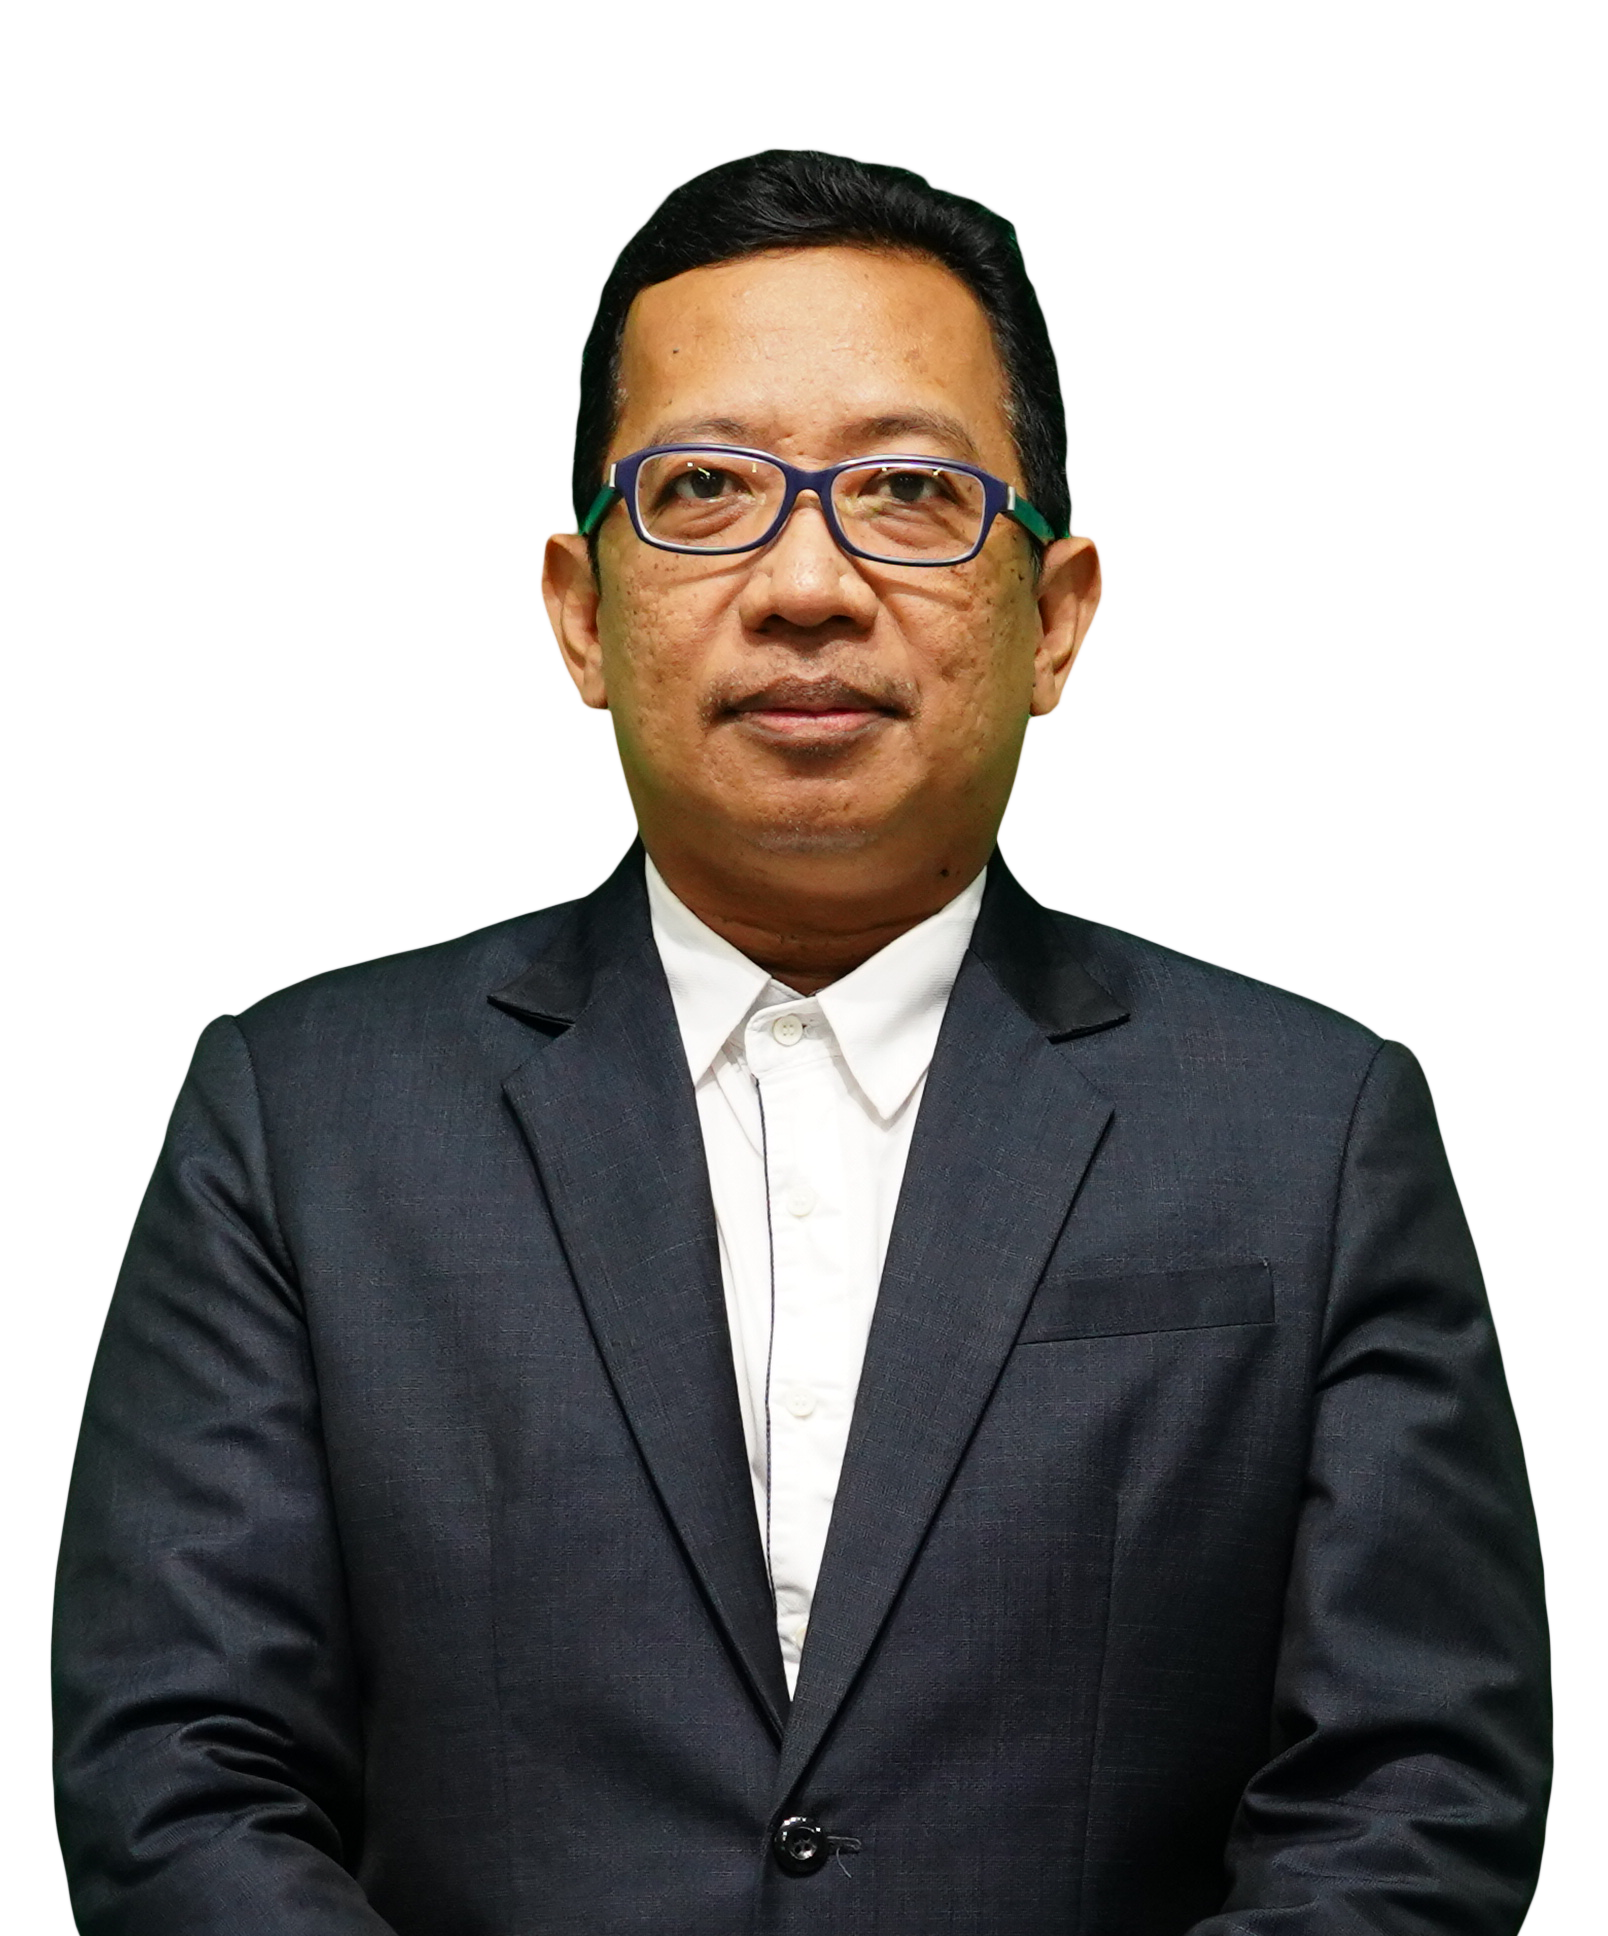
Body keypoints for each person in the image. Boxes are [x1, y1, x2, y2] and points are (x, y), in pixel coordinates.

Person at [52, 147, 1551, 1935]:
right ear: (582, 612)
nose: (807, 585)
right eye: (705, 490)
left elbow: (1415, 1794)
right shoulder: (304, 1120)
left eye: (910, 491)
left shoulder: (1312, 1132)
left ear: (1057, 617)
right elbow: (178, 1774)